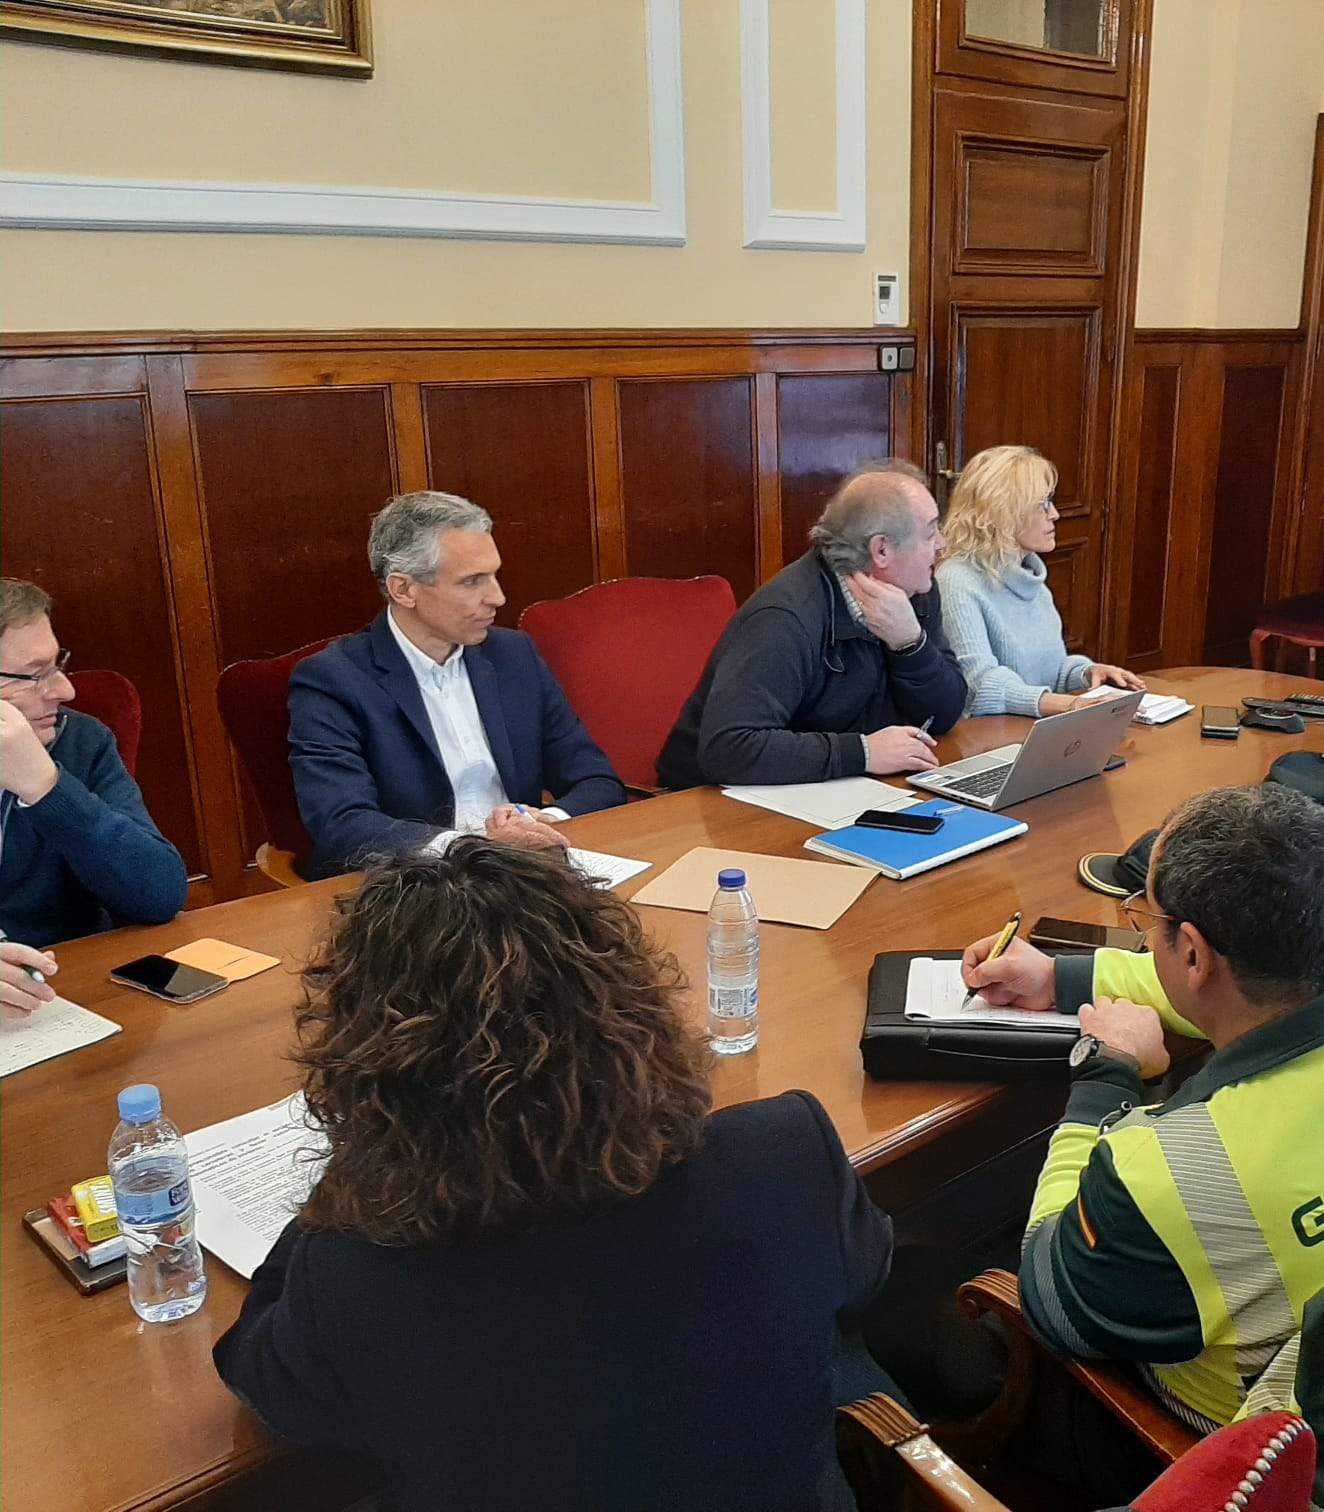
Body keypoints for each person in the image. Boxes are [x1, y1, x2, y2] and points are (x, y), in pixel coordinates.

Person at [213, 842, 894, 1512]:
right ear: (632, 1003)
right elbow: (864, 1276)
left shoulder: (357, 1275)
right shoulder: (786, 1154)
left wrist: (361, 1159)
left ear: (375, 1074)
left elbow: (259, 1371)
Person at [955, 784, 1324, 1440]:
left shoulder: (1171, 1176)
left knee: (922, 1287)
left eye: (1148, 924)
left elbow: (1050, 1291)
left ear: (1190, 952)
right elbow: (1299, 979)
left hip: (1230, 1453)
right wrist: (1061, 978)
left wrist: (1106, 1077)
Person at [288, 493, 625, 880]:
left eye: (494, 575)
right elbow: (342, 825)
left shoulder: (513, 655)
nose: (497, 597)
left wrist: (540, 824)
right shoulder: (333, 680)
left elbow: (597, 780)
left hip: (527, 880)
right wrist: (478, 848)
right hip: (417, 889)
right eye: (471, 582)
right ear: (404, 590)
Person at [655, 459, 966, 790]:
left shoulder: (916, 594)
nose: (942, 544)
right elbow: (730, 748)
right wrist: (862, 752)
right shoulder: (785, 617)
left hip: (834, 789)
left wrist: (910, 645)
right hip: (712, 804)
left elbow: (944, 716)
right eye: (931, 533)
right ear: (882, 550)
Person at [0, 579, 185, 990]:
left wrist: (47, 788)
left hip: (62, 991)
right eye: (34, 676)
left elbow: (159, 895)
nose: (65, 690)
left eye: (57, 665)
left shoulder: (80, 742)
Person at [935, 444, 1143, 716]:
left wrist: (1087, 672)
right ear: (1003, 512)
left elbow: (1049, 671)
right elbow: (979, 686)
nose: (1054, 514)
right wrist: (1067, 705)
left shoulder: (1028, 575)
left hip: (1035, 728)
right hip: (989, 740)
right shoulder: (956, 581)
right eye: (1043, 504)